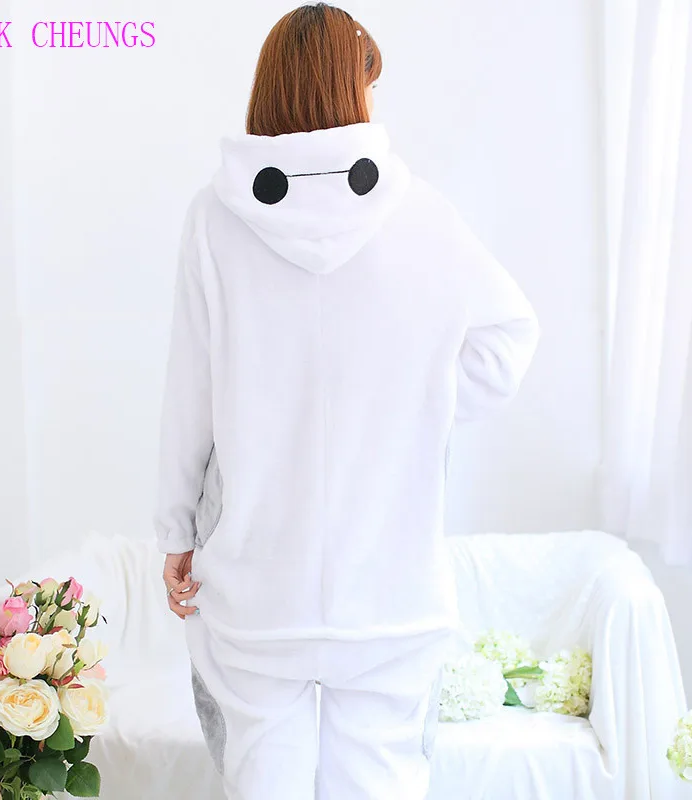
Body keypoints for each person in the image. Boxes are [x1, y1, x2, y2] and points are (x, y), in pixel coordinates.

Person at [153, 3, 540, 798]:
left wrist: (174, 531)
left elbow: (189, 392)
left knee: (261, 781)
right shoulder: (424, 214)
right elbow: (508, 341)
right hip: (393, 590)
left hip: (257, 588)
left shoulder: (214, 220)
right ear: (354, 87)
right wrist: (414, 399)